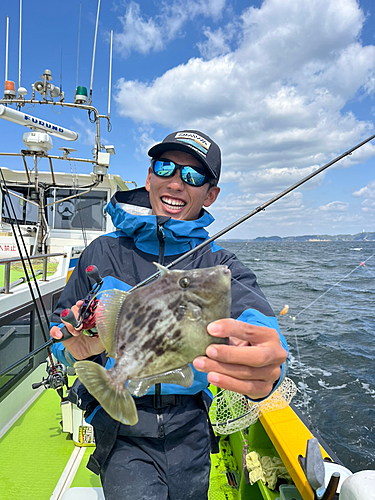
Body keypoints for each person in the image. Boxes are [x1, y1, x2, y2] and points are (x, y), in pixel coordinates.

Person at [50, 130, 289, 500]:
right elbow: (62, 332)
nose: (177, 182)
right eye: (166, 168)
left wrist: (267, 362)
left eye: (193, 176)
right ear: (149, 177)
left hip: (190, 426)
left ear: (210, 194)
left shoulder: (217, 265)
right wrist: (72, 347)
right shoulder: (103, 252)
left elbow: (255, 318)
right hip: (122, 429)